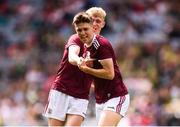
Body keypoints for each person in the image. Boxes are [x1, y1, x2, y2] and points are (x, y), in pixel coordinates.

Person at [77, 7, 130, 126]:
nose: (94, 23)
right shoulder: (86, 46)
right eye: (91, 20)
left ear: (103, 24)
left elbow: (110, 74)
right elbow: (93, 78)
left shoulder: (101, 44)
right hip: (100, 100)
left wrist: (86, 69)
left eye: (98, 21)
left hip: (116, 97)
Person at [43, 12, 94, 126]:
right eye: (79, 30)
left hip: (81, 96)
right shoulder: (75, 39)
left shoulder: (100, 47)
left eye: (85, 29)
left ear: (92, 27)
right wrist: (79, 61)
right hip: (61, 91)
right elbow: (72, 56)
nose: (82, 33)